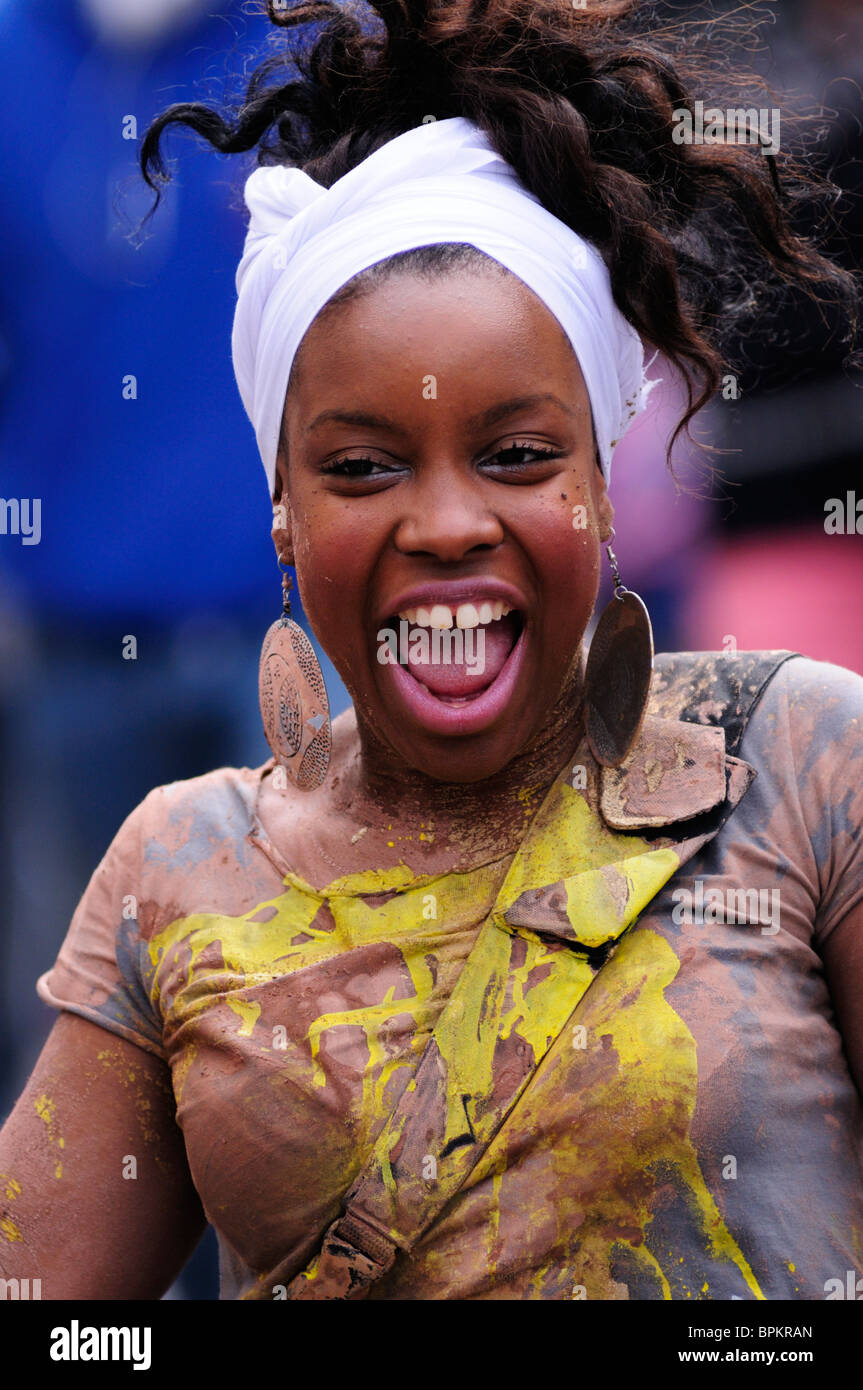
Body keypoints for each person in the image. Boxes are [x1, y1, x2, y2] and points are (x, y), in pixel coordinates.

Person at [1, 0, 861, 1302]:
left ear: (603, 484)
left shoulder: (803, 768)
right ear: (283, 508)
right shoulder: (180, 874)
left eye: (518, 454)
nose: (449, 523)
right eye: (364, 467)